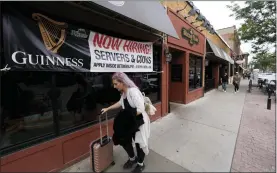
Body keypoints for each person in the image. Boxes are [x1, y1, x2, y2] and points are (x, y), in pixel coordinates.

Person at [101, 72, 150, 173]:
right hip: (130, 121)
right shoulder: (123, 93)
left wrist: (126, 118)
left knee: (139, 143)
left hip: (138, 120)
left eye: (116, 84)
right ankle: (133, 158)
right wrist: (108, 108)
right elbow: (120, 103)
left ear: (123, 82)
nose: (114, 86)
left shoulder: (133, 92)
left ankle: (140, 164)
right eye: (113, 84)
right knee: (123, 139)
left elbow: (140, 109)